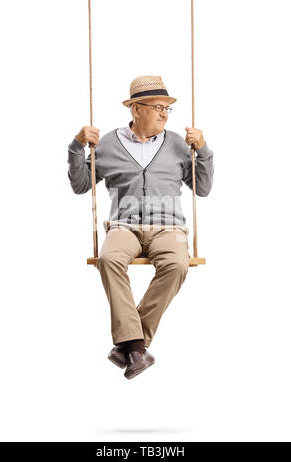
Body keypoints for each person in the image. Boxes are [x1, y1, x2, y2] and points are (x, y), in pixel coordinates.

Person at [67, 75, 214, 379]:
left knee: (176, 265)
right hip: (124, 226)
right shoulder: (107, 143)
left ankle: (132, 345)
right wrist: (76, 147)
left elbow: (202, 188)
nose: (164, 113)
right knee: (109, 260)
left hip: (168, 228)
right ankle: (135, 346)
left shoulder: (177, 143)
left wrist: (204, 151)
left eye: (167, 109)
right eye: (158, 107)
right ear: (136, 108)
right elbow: (82, 185)